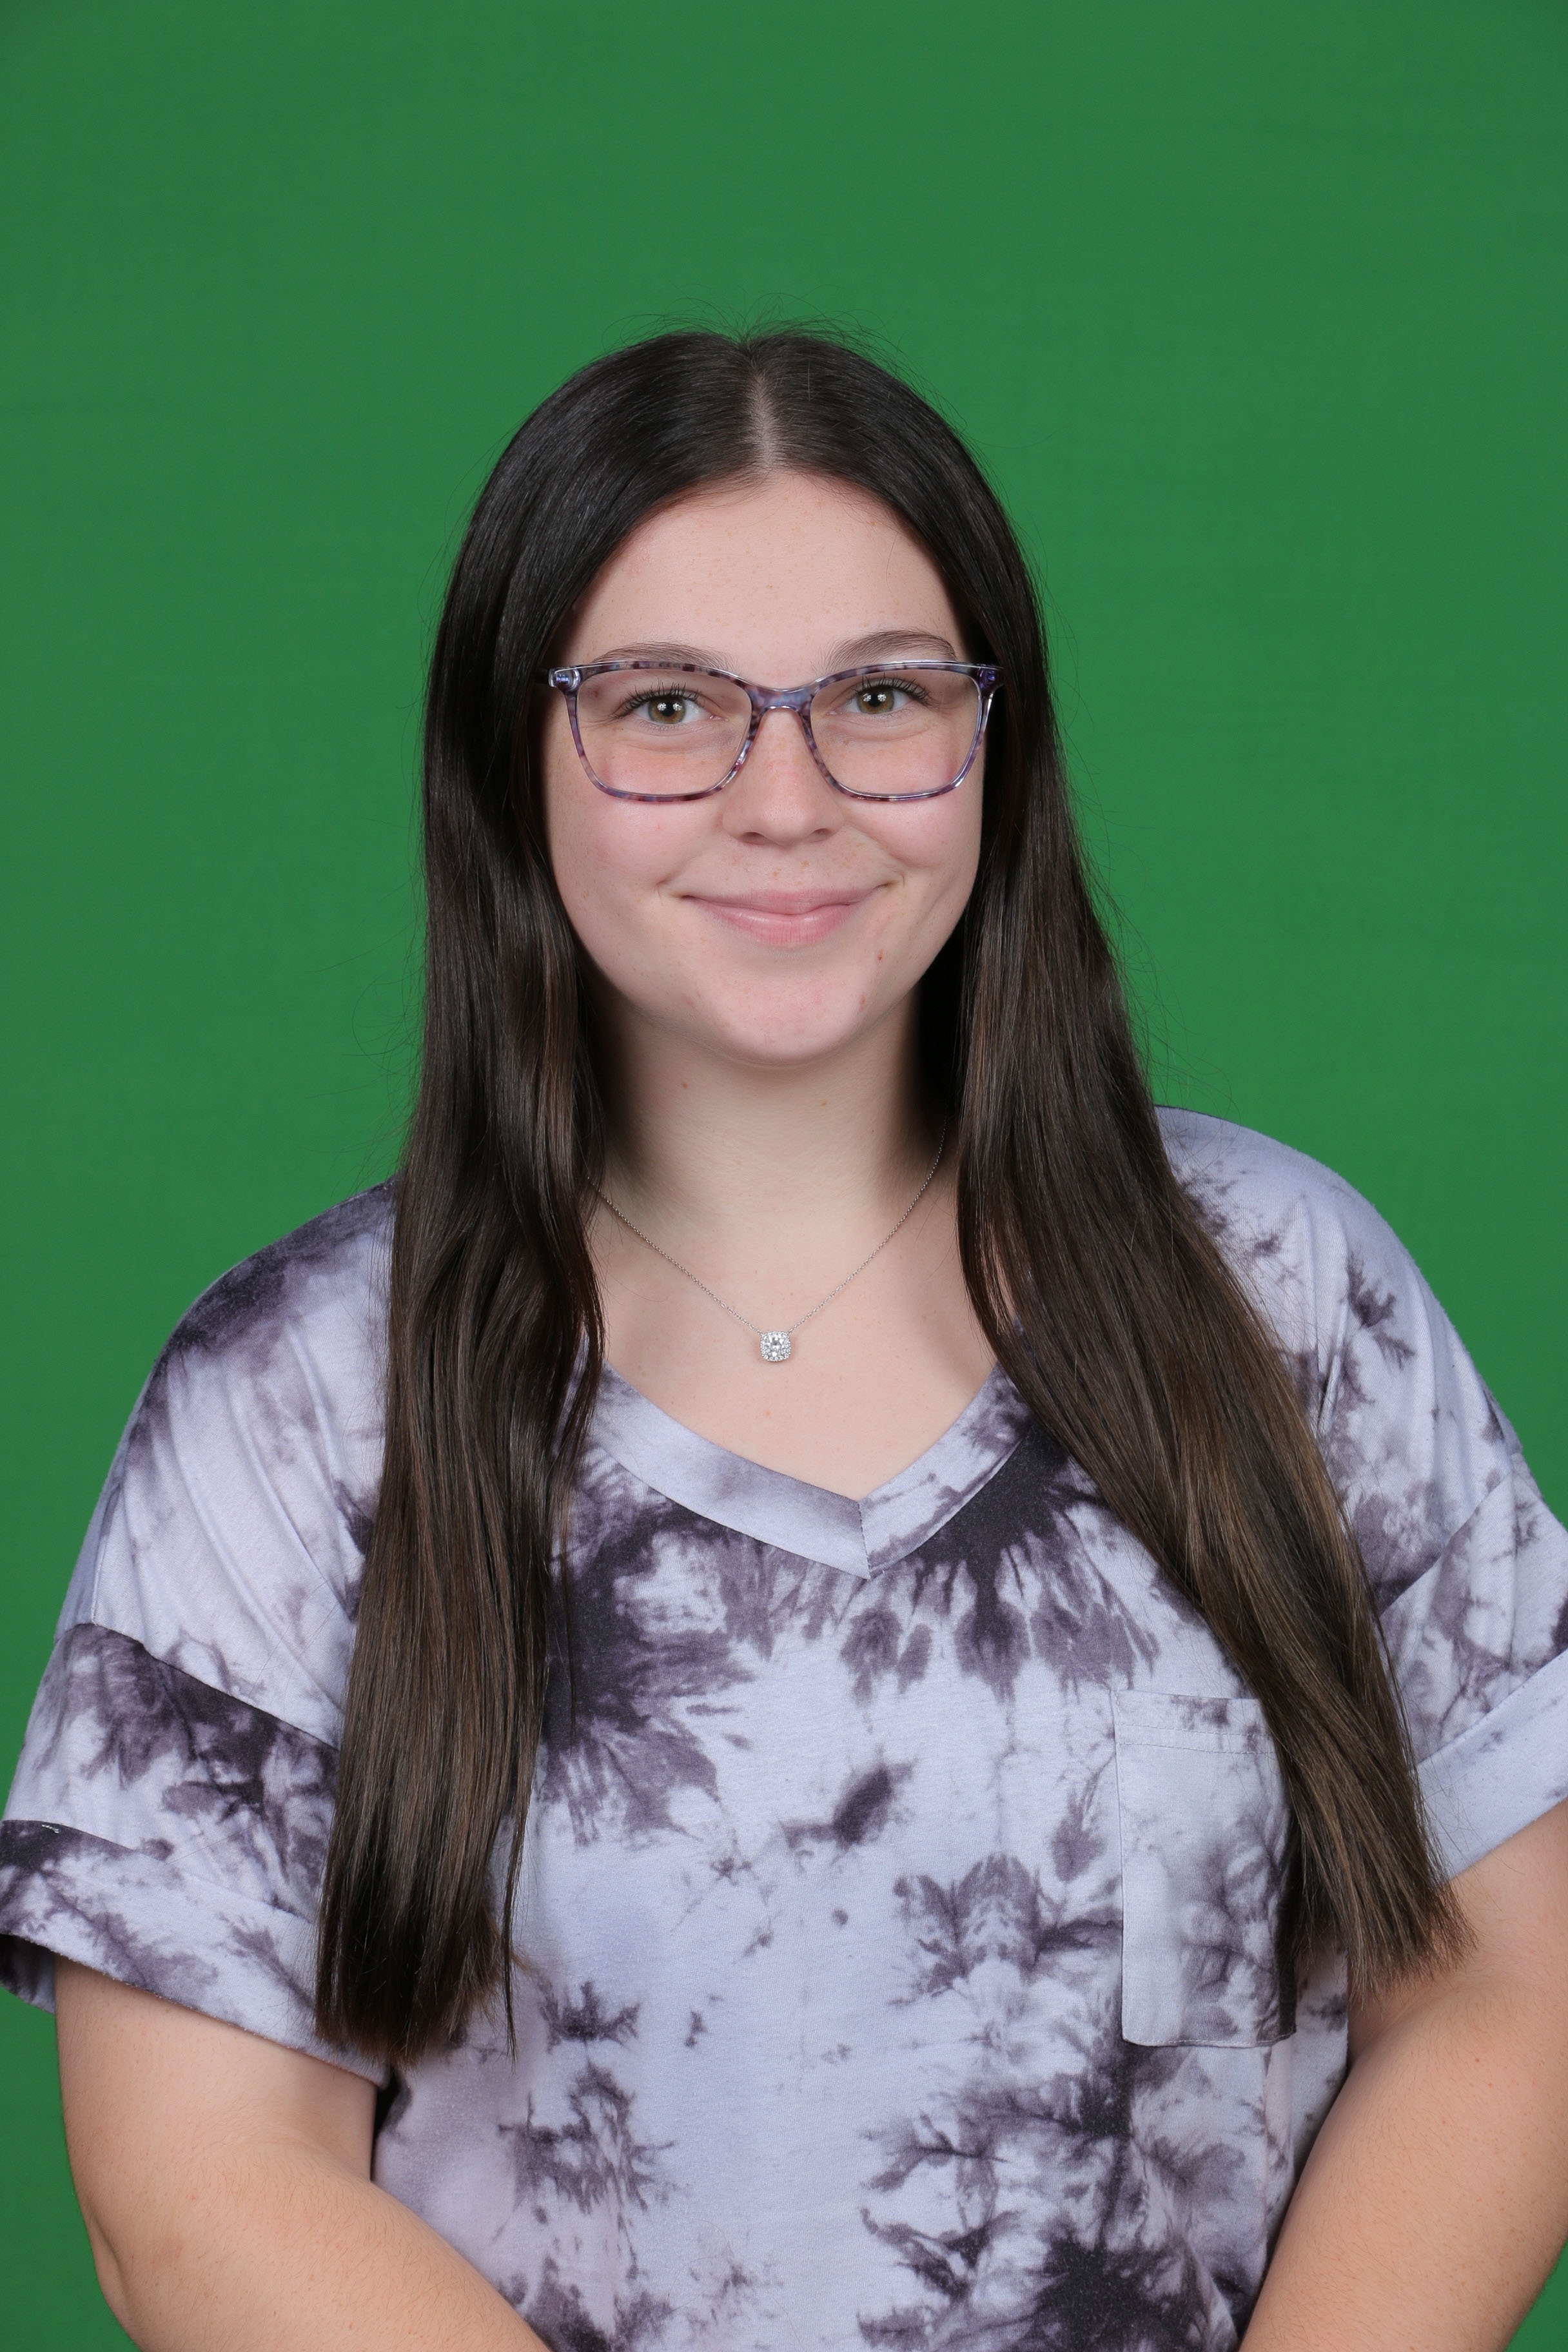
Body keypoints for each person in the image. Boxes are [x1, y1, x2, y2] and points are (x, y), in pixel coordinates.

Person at [1, 328, 1565, 2352]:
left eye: (880, 699)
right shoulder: (292, 1403)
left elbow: (1509, 1989)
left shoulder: (1282, 1293)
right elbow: (200, 2189)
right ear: (509, 760)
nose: (787, 799)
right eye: (667, 707)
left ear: (995, 745)